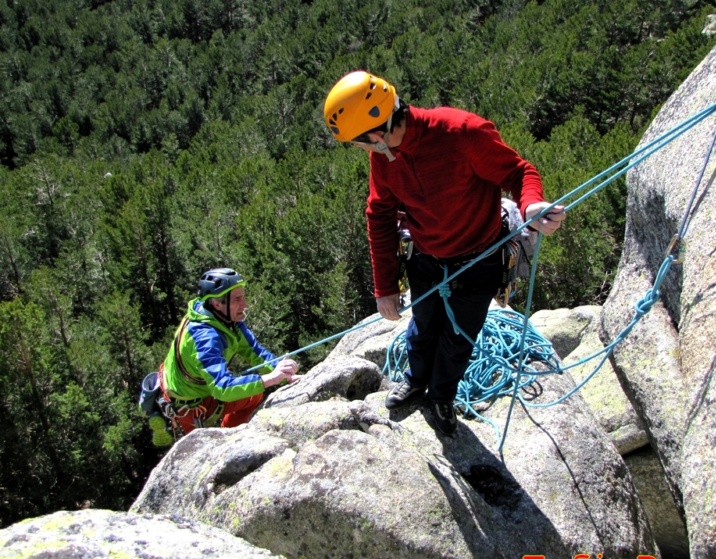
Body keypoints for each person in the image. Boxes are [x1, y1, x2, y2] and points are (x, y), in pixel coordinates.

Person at [323, 71, 565, 436]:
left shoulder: (461, 132)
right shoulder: (386, 154)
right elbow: (380, 214)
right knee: (421, 329)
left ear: (375, 134)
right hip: (427, 258)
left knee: (458, 339)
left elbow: (518, 171)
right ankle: (416, 381)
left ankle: (441, 396)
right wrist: (384, 287)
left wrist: (531, 205)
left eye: (360, 143)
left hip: (480, 259)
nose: (364, 151)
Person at [149, 268, 300, 445]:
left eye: (243, 297)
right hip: (188, 404)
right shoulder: (205, 338)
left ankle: (228, 436)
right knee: (205, 451)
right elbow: (222, 387)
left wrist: (283, 373)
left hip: (198, 389)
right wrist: (271, 378)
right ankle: (226, 444)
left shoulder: (224, 319)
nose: (245, 305)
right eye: (238, 299)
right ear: (217, 303)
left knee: (253, 395)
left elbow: (254, 352)